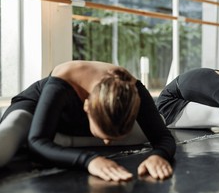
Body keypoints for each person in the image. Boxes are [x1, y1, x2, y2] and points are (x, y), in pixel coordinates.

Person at [0, 60, 176, 182]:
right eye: (105, 136)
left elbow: (163, 136)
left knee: (155, 123)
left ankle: (60, 141)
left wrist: (158, 156)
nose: (107, 143)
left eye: (113, 137)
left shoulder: (133, 89)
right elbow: (37, 143)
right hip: (37, 109)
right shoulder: (63, 80)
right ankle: (56, 139)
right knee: (11, 133)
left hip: (74, 127)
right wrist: (89, 160)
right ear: (86, 108)